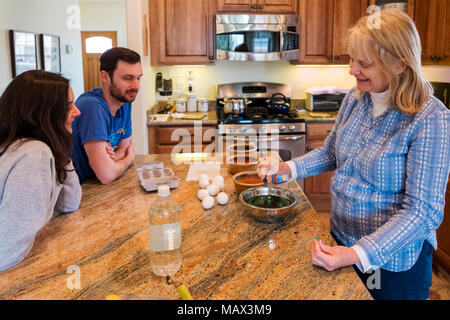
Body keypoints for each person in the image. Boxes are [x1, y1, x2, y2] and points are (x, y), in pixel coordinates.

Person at [258, 10, 450, 300]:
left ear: (400, 63)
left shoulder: (430, 118)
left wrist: (356, 254)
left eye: (364, 63)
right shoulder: (356, 97)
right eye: (352, 59)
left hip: (393, 264)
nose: (352, 69)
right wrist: (285, 168)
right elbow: (331, 153)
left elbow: (422, 212)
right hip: (341, 240)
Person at [0, 70, 82, 272]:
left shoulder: (19, 146)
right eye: (69, 106)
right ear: (45, 113)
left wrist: (61, 149)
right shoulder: (33, 154)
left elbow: (69, 203)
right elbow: (5, 252)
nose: (77, 112)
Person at [71, 47, 143, 184]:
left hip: (97, 184)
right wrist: (129, 158)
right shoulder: (92, 106)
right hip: (81, 188)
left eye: (138, 78)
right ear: (105, 77)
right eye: (128, 78)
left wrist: (115, 158)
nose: (136, 86)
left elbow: (125, 147)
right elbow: (106, 175)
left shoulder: (124, 101)